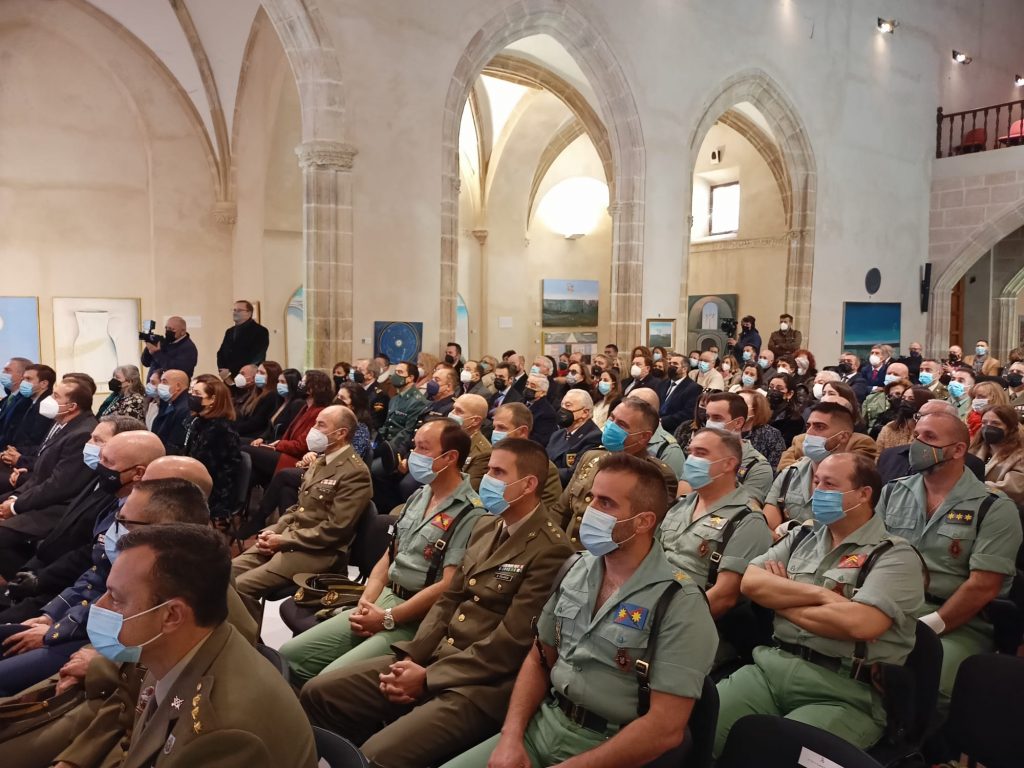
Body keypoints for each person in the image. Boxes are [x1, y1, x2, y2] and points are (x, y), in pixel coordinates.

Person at [299, 437, 573, 768]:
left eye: (498, 472)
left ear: (528, 485)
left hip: (479, 686)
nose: (486, 479)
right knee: (319, 693)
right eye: (488, 470)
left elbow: (509, 644)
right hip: (434, 658)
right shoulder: (487, 526)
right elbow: (449, 600)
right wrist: (413, 657)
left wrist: (428, 677)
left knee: (376, 755)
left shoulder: (551, 549)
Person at [444, 453, 717, 768]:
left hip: (610, 746)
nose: (590, 511)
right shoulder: (575, 567)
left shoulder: (679, 602)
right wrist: (511, 736)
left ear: (643, 521)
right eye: (592, 498)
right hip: (542, 725)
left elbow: (665, 728)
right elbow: (539, 659)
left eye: (606, 503)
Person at [714, 453, 925, 755]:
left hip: (844, 692)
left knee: (773, 757)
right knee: (699, 733)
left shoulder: (895, 556)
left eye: (829, 484)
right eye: (816, 482)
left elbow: (860, 624)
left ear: (864, 494)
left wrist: (780, 598)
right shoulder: (803, 536)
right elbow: (751, 582)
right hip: (771, 668)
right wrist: (823, 596)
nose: (818, 492)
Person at [80, 524, 316, 767]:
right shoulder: (174, 649)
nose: (100, 606)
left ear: (172, 616)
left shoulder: (223, 734)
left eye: (116, 598)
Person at [280, 420, 484, 683]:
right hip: (384, 598)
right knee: (289, 655)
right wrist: (366, 601)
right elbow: (390, 555)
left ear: (450, 457)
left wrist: (387, 617)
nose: (414, 455)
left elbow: (448, 585)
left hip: (418, 616)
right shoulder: (420, 495)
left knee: (329, 680)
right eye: (414, 447)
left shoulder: (470, 512)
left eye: (423, 448)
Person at [0, 431, 166, 696]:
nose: (99, 465)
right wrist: (50, 615)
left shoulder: (151, 531)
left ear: (139, 473)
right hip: (76, 615)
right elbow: (94, 573)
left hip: (100, 637)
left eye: (108, 461)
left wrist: (55, 631)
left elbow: (116, 601)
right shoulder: (118, 505)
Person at [878, 411, 1022, 709]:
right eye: (916, 436)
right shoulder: (893, 491)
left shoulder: (993, 507)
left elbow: (983, 585)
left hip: (954, 619)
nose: (917, 444)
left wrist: (929, 626)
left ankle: (924, 738)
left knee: (931, 681)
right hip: (888, 605)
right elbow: (870, 551)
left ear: (958, 450)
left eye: (929, 437)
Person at [0, 415, 145, 615]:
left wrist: (41, 580)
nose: (88, 444)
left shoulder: (121, 497)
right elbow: (61, 535)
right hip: (47, 571)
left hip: (64, 590)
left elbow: (87, 555)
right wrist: (30, 570)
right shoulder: (99, 478)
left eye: (97, 440)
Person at [232, 405, 371, 598]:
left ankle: (244, 618)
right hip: (289, 539)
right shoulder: (321, 461)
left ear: (341, 433)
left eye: (321, 425)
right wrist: (274, 530)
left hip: (317, 554)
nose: (313, 429)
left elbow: (335, 529)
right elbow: (298, 508)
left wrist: (283, 540)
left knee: (237, 588)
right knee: (222, 573)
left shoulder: (355, 473)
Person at [661, 429, 772, 622]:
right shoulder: (682, 504)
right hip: (653, 601)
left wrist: (668, 626)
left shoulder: (747, 519)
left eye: (701, 453)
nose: (691, 460)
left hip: (694, 619)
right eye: (690, 452)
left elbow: (724, 597)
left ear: (729, 463)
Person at [553, 397, 678, 548]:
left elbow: (646, 534)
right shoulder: (591, 457)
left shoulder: (656, 475)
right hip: (566, 551)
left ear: (643, 437)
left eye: (621, 425)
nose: (611, 426)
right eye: (612, 418)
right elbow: (561, 511)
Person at [0, 379, 98, 532]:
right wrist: (14, 499)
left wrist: (15, 506)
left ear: (72, 407)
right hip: (37, 494)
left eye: (56, 396)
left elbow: (58, 486)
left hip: (56, 508)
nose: (49, 399)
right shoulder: (64, 423)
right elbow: (42, 471)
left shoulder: (82, 434)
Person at [763, 402, 855, 530]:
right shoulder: (791, 472)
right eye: (808, 426)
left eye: (819, 427)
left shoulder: (855, 480)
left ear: (843, 437)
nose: (809, 433)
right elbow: (767, 524)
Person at [244, 368, 333, 487]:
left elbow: (301, 446)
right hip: (288, 454)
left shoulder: (319, 412)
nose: (300, 384)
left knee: (246, 449)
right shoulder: (305, 408)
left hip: (298, 460)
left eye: (303, 382)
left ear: (312, 389)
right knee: (254, 469)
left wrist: (278, 444)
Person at [876, 400, 987, 484]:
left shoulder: (971, 464)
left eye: (934, 416)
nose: (923, 421)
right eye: (919, 416)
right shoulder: (889, 456)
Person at [182, 377, 240, 523]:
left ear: (212, 399)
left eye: (197, 393)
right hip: (197, 478)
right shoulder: (199, 421)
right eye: (192, 392)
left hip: (215, 489)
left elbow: (208, 466)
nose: (192, 397)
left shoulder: (221, 428)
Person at [490, 403, 563, 510]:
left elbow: (545, 511)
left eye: (501, 428)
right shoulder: (490, 458)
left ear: (522, 432)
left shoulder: (544, 468)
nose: (495, 433)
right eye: (494, 427)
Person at [0, 364, 56, 469]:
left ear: (43, 384)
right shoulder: (33, 402)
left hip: (27, 460)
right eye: (23, 379)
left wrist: (15, 452)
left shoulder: (45, 407)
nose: (23, 383)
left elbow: (36, 440)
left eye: (28, 379)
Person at [969, 403, 1024, 507]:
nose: (988, 427)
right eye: (984, 422)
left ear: (1010, 427)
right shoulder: (975, 448)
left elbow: (1012, 490)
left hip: (1004, 508)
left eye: (996, 423)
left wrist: (970, 486)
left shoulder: (1020, 455)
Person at [546, 389, 602, 486]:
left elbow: (574, 473)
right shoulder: (557, 434)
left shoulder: (593, 437)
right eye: (562, 405)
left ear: (585, 413)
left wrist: (542, 471)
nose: (562, 409)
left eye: (568, 405)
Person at [628, 387, 686, 481]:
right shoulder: (619, 435)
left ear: (648, 414)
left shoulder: (668, 449)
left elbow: (670, 488)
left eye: (630, 407)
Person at [216, 299, 270, 378]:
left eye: (239, 310)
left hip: (248, 376)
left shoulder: (260, 331)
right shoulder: (229, 331)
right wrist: (222, 370)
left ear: (249, 313)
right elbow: (221, 353)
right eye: (234, 310)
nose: (235, 313)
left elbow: (257, 357)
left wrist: (231, 370)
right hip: (227, 377)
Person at [233, 360, 282, 441]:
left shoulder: (272, 396)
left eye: (262, 373)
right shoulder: (255, 394)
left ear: (271, 376)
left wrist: (232, 429)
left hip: (257, 436)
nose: (257, 375)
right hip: (246, 433)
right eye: (257, 372)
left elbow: (256, 423)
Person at [449, 394, 490, 490]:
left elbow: (466, 489)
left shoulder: (483, 453)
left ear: (475, 421)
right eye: (453, 409)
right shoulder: (446, 435)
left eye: (459, 411)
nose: (451, 414)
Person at [876, 386, 935, 450]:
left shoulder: (932, 432)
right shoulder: (889, 428)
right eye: (903, 398)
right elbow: (878, 453)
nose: (904, 402)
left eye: (911, 399)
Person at [739, 389, 784, 470]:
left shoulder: (771, 435)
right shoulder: (724, 430)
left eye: (741, 405)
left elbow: (774, 467)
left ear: (756, 410)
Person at [150, 369, 192, 455]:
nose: (160, 386)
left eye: (164, 382)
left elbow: (175, 443)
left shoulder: (184, 408)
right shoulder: (169, 403)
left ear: (178, 386)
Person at [660, 353, 701, 434]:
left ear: (684, 369)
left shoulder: (693, 388)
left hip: (675, 430)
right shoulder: (662, 383)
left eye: (675, 364)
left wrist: (662, 421)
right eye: (670, 363)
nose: (671, 366)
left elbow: (687, 414)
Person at [765, 373, 805, 448]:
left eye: (779, 389)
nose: (773, 391)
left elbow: (785, 445)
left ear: (790, 394)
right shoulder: (761, 410)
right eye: (771, 387)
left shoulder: (795, 419)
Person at [267, 367, 305, 440]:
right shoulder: (280, 401)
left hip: (282, 442)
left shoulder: (298, 403)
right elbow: (270, 428)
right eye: (278, 381)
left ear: (292, 384)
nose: (279, 384)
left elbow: (291, 430)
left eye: (283, 382)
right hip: (271, 441)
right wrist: (261, 438)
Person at [524, 374, 557, 447]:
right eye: (527, 384)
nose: (528, 387)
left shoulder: (547, 413)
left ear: (542, 393)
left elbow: (538, 441)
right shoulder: (520, 401)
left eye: (533, 386)